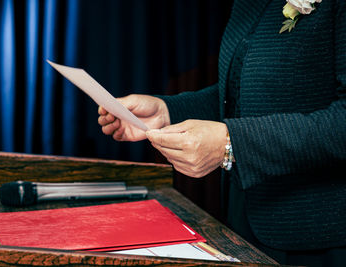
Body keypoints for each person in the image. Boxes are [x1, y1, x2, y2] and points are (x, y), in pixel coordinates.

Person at [98, 0, 346, 266]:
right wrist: (167, 111)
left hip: (317, 239)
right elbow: (245, 91)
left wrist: (233, 143)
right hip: (244, 221)